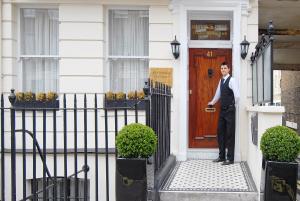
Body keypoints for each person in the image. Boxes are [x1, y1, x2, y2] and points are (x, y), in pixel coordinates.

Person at [208, 62, 239, 165]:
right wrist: (212, 102)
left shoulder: (232, 80)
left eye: (225, 68)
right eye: (221, 68)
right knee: (220, 133)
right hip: (222, 111)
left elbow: (237, 95)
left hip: (229, 110)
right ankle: (221, 157)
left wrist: (232, 105)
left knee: (230, 134)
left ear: (229, 69)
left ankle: (230, 159)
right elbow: (218, 94)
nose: (223, 70)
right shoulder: (221, 80)